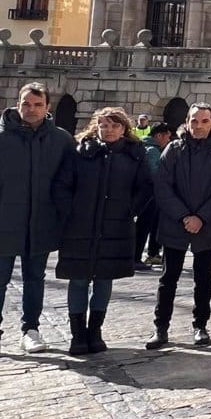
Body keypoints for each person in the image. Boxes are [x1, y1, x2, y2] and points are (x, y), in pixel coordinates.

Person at [54, 107, 153, 355]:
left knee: (104, 279)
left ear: (124, 128)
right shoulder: (79, 152)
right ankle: (78, 334)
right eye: (104, 125)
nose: (109, 130)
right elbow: (62, 185)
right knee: (78, 279)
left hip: (115, 226)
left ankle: (95, 330)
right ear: (95, 127)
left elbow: (145, 187)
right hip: (80, 226)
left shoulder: (135, 154)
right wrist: (72, 210)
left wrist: (129, 210)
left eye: (114, 125)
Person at [146, 103, 211, 349]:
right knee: (168, 279)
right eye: (194, 121)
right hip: (175, 224)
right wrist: (185, 216)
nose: (198, 126)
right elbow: (163, 187)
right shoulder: (174, 149)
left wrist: (201, 217)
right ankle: (161, 327)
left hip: (207, 225)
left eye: (204, 121)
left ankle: (201, 326)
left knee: (203, 278)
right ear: (187, 122)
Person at [0, 82, 74, 353]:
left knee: (34, 279)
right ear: (17, 104)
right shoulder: (1, 137)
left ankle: (31, 330)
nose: (31, 109)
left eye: (37, 104)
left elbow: (70, 182)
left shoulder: (62, 140)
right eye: (26, 104)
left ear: (48, 107)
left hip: (41, 223)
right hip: (4, 222)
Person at [134, 122, 174, 271]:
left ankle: (137, 256)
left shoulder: (146, 147)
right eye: (167, 137)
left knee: (143, 227)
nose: (168, 140)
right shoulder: (152, 151)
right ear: (159, 135)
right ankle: (135, 258)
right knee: (143, 227)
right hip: (149, 196)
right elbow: (156, 174)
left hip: (146, 195)